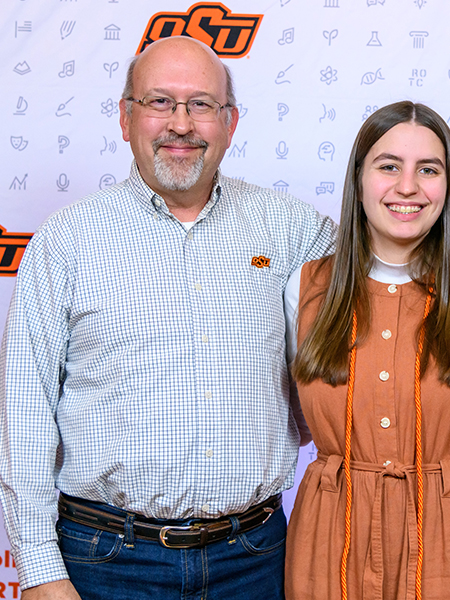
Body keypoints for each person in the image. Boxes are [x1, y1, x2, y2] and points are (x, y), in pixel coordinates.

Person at [0, 37, 337, 600]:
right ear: (127, 117)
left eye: (201, 104)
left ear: (230, 123)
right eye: (160, 102)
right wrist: (38, 570)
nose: (181, 123)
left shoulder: (294, 231)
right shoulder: (67, 240)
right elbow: (25, 412)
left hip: (257, 560)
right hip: (106, 562)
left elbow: (401, 286)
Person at [283, 101, 450, 599]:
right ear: (358, 179)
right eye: (388, 166)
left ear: (447, 188)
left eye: (428, 169)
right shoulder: (304, 289)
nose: (408, 186)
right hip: (330, 547)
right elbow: (294, 424)